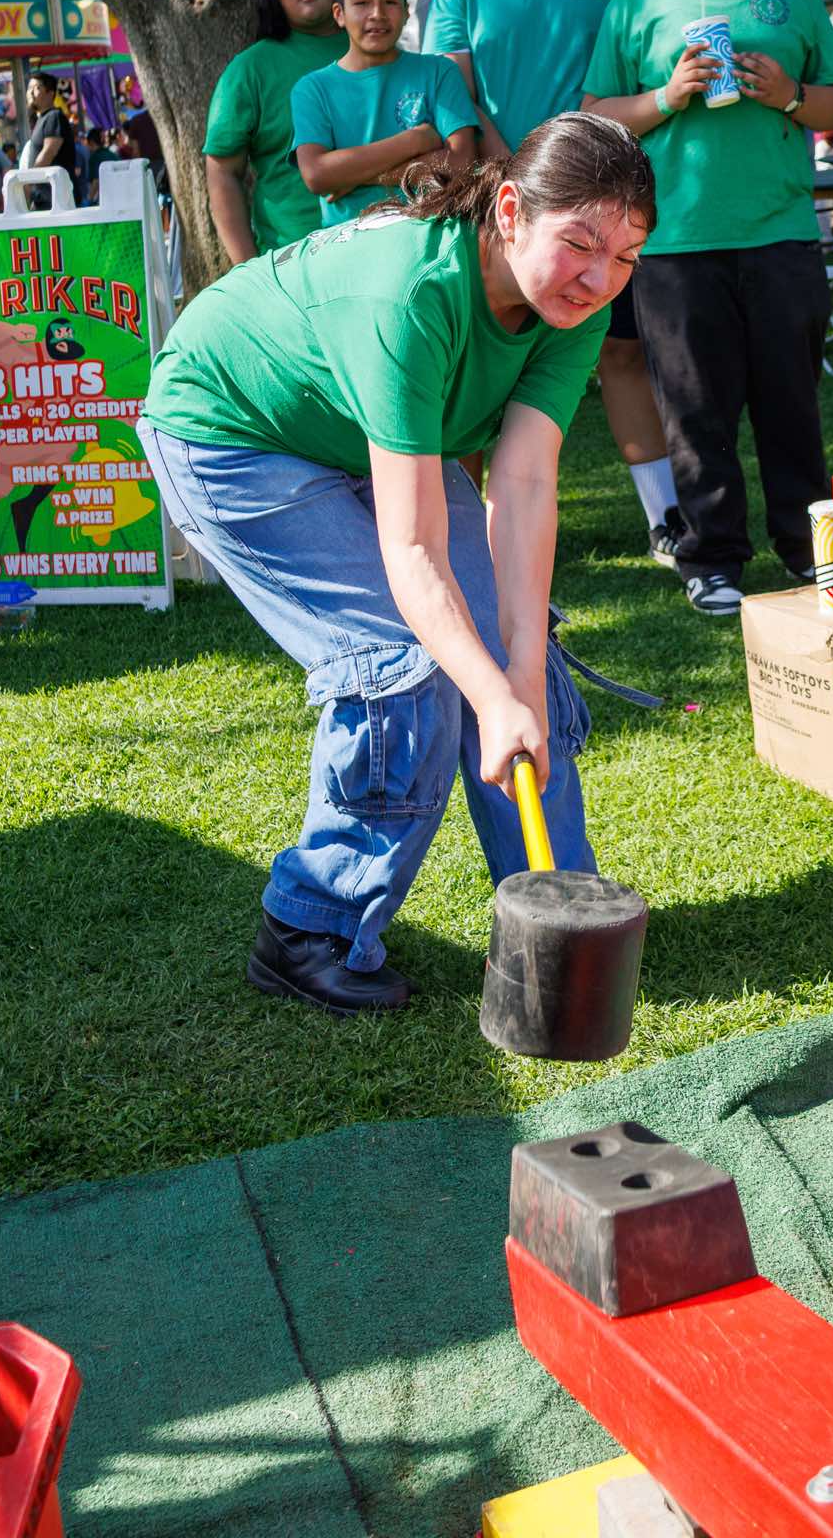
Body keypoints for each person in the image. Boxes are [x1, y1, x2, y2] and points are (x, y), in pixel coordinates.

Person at [138, 111, 653, 1012]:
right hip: (231, 430)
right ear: (509, 212)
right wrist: (487, 691)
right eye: (579, 244)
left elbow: (524, 483)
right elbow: (413, 550)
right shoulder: (408, 295)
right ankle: (311, 929)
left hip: (353, 430)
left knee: (513, 666)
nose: (599, 276)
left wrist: (517, 677)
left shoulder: (575, 302)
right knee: (401, 665)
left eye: (626, 256)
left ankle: (562, 921)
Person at [583, 0, 833, 615]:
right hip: (675, 240)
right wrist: (667, 96)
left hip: (781, 231)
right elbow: (596, 112)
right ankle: (710, 559)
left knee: (790, 406)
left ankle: (806, 549)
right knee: (695, 414)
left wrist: (789, 96)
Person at [423, 0, 682, 565]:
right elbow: (454, 96)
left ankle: (665, 519)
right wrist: (519, 171)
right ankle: (468, 540)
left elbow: (638, 78)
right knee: (477, 373)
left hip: (606, 207)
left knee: (620, 355)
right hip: (502, 206)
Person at [292, 0, 479, 224]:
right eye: (362, 2)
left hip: (430, 234)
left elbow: (461, 164)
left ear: (406, 11)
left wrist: (361, 176)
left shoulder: (439, 71)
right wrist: (415, 141)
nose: (377, 14)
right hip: (349, 241)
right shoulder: (312, 89)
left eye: (389, 1)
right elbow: (317, 175)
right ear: (339, 14)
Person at [204, 0, 345, 261]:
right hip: (293, 260)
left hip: (382, 248)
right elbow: (222, 173)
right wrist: (248, 270)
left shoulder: (374, 49)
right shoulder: (250, 69)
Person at [21, 73, 78, 178]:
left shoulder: (54, 116)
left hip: (56, 188)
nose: (31, 92)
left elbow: (48, 153)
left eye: (37, 88)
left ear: (50, 93)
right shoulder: (42, 119)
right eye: (29, 88)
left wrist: (30, 180)